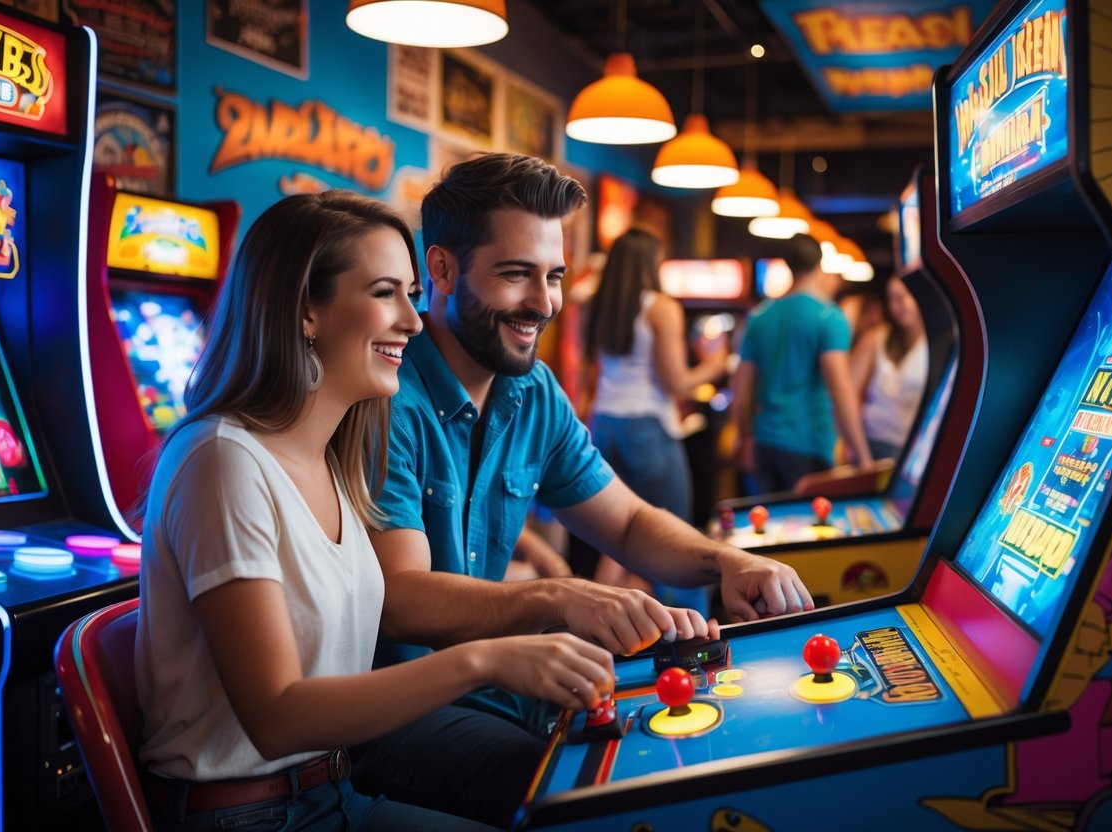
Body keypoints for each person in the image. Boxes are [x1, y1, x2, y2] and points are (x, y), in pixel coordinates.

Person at [350, 153, 814, 826]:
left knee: (687, 752)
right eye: (515, 275)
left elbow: (624, 524)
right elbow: (401, 602)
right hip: (398, 711)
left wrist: (727, 561)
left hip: (507, 686)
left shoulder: (530, 390)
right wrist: (561, 597)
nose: (542, 303)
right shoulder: (390, 393)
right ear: (442, 270)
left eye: (553, 277)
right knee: (610, 800)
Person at [134, 190, 615, 832]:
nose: (414, 322)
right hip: (250, 815)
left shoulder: (334, 460)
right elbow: (276, 717)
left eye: (412, 294)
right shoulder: (222, 460)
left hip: (333, 793)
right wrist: (488, 658)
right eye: (386, 293)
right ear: (307, 309)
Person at [582, 226, 729, 612]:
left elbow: (591, 374)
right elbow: (677, 381)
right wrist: (716, 364)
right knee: (677, 536)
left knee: (614, 535)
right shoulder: (661, 307)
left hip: (604, 425)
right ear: (651, 263)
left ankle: (595, 622)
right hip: (646, 429)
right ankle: (691, 633)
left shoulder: (599, 305)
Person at [732, 233, 873, 493]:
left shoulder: (759, 317)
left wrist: (745, 439)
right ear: (820, 265)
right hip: (809, 447)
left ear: (787, 265)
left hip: (765, 443)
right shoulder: (829, 317)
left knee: (767, 529)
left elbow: (742, 392)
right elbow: (840, 390)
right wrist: (862, 454)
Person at [850, 275, 928, 460]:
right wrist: (856, 448)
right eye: (892, 299)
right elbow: (850, 392)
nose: (898, 305)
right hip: (870, 441)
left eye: (903, 297)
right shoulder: (876, 337)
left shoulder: (936, 345)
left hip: (910, 449)